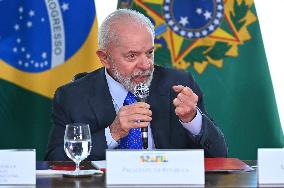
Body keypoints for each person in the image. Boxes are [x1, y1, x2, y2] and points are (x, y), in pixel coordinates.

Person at [45, 9, 228, 161]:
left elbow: (220, 155)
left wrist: (192, 119)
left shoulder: (178, 85)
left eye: (149, 53)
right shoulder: (73, 96)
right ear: (105, 58)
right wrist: (112, 133)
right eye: (132, 56)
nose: (146, 65)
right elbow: (55, 160)